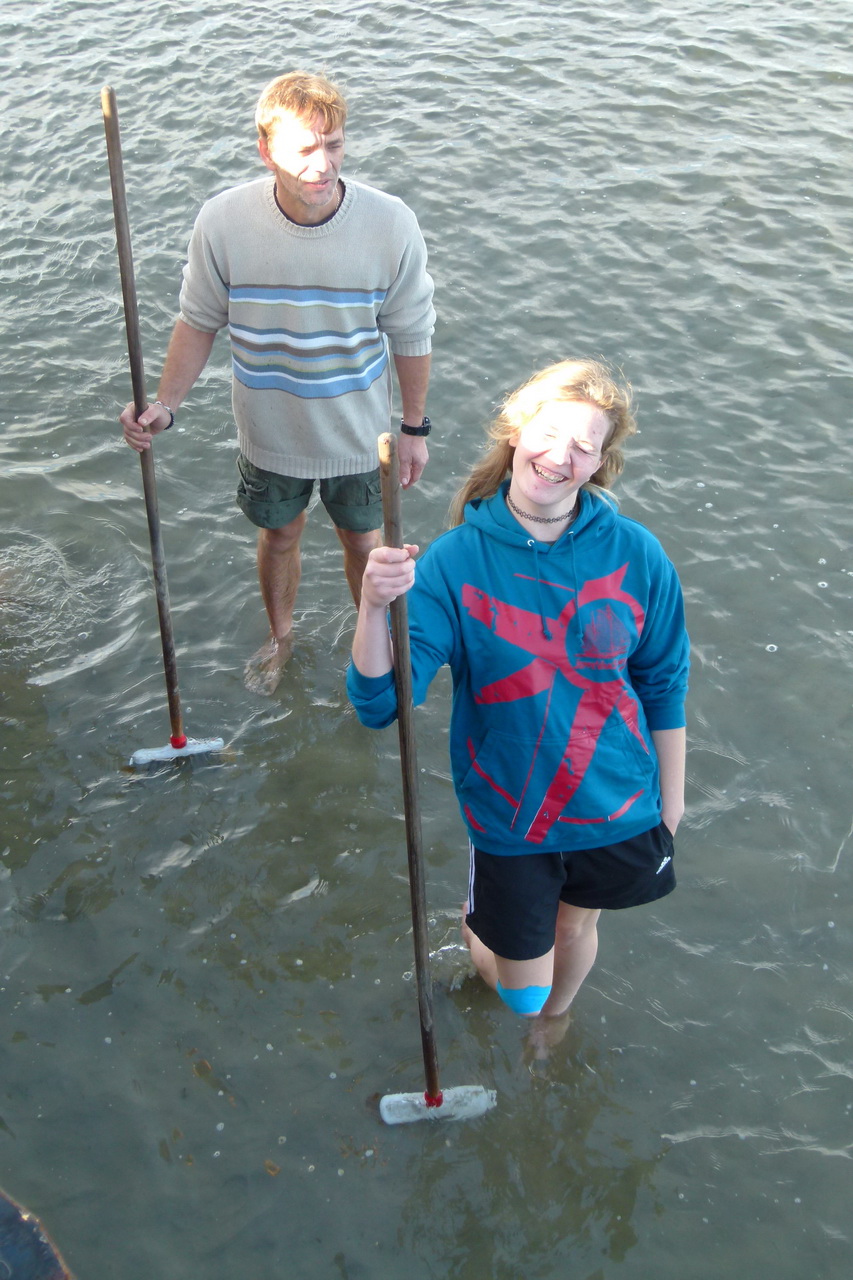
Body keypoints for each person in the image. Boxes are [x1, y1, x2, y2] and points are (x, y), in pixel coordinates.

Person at [347, 358, 688, 1040]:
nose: (560, 457)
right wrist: (373, 606)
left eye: (584, 446)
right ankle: (489, 943)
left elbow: (662, 680)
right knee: (518, 991)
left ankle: (553, 1030)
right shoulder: (453, 562)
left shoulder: (637, 554)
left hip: (616, 804)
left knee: (574, 930)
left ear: (599, 464)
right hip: (513, 817)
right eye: (549, 433)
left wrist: (671, 804)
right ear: (515, 432)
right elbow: (382, 703)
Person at [120, 71, 435, 694]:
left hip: (359, 435)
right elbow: (198, 320)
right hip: (268, 434)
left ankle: (375, 646)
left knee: (363, 539)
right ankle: (280, 636)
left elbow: (412, 331)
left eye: (334, 146)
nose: (323, 165)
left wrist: (413, 428)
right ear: (266, 150)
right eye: (304, 149)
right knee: (280, 533)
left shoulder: (391, 223)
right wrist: (164, 406)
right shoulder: (223, 220)